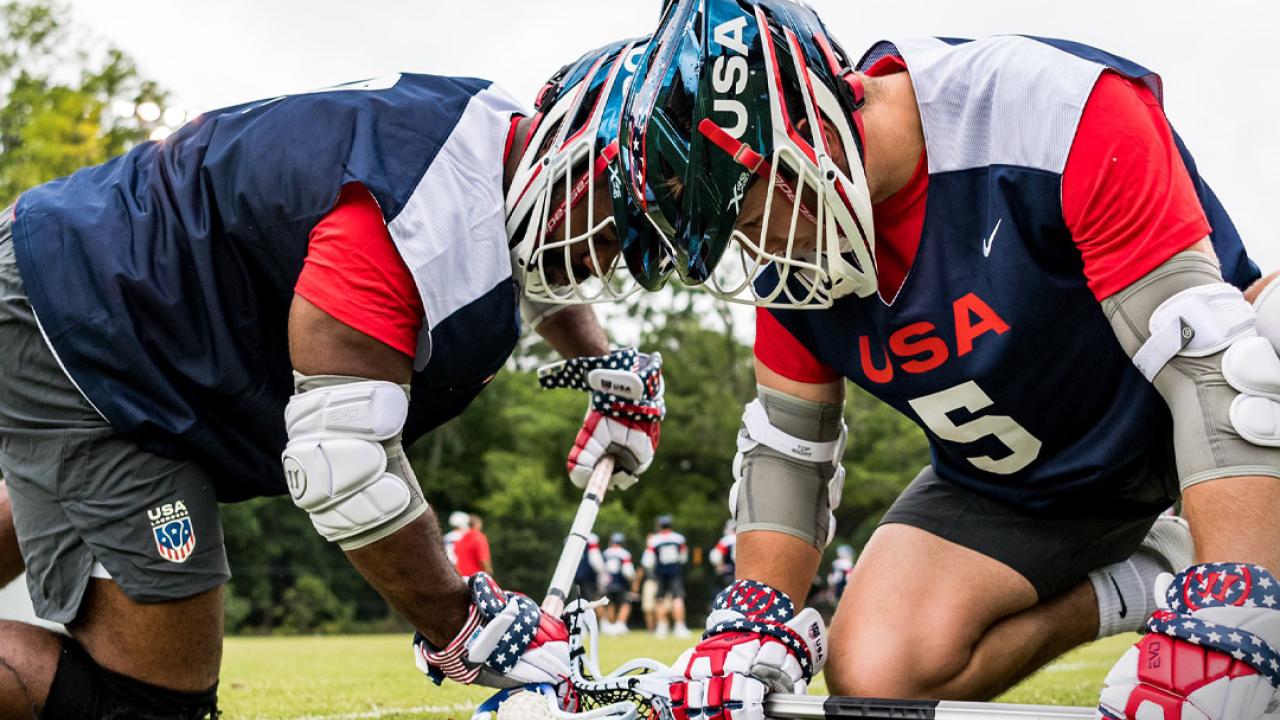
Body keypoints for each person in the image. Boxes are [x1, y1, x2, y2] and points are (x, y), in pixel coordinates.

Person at [620, 2, 1280, 719]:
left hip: (1198, 407)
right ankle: (1148, 576)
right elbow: (788, 449)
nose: (758, 252)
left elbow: (1207, 360)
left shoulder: (1045, 105)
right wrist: (755, 614)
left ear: (810, 126)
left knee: (1264, 334)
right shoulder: (792, 252)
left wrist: (1236, 608)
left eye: (749, 223)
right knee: (878, 670)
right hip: (1029, 480)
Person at [0, 36, 669, 718]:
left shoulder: (493, 142)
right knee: (146, 704)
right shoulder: (411, 213)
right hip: (100, 326)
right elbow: (342, 467)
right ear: (575, 157)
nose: (595, 267)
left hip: (106, 305)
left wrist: (599, 365)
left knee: (53, 495)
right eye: (610, 238)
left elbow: (537, 243)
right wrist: (464, 625)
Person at [640, 515, 689, 638]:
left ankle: (662, 627)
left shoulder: (654, 540)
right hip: (675, 572)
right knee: (678, 599)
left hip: (660, 573)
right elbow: (683, 557)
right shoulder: (679, 538)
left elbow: (647, 561)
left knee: (660, 600)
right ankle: (680, 626)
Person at [601, 532, 637, 635]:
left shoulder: (605, 553)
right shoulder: (624, 553)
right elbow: (628, 571)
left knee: (610, 604)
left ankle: (610, 626)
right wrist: (632, 580)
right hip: (621, 583)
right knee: (625, 603)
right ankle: (620, 625)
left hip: (608, 583)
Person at [708, 519, 737, 591]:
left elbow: (716, 556)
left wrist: (719, 566)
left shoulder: (725, 540)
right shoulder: (744, 538)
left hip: (729, 571)